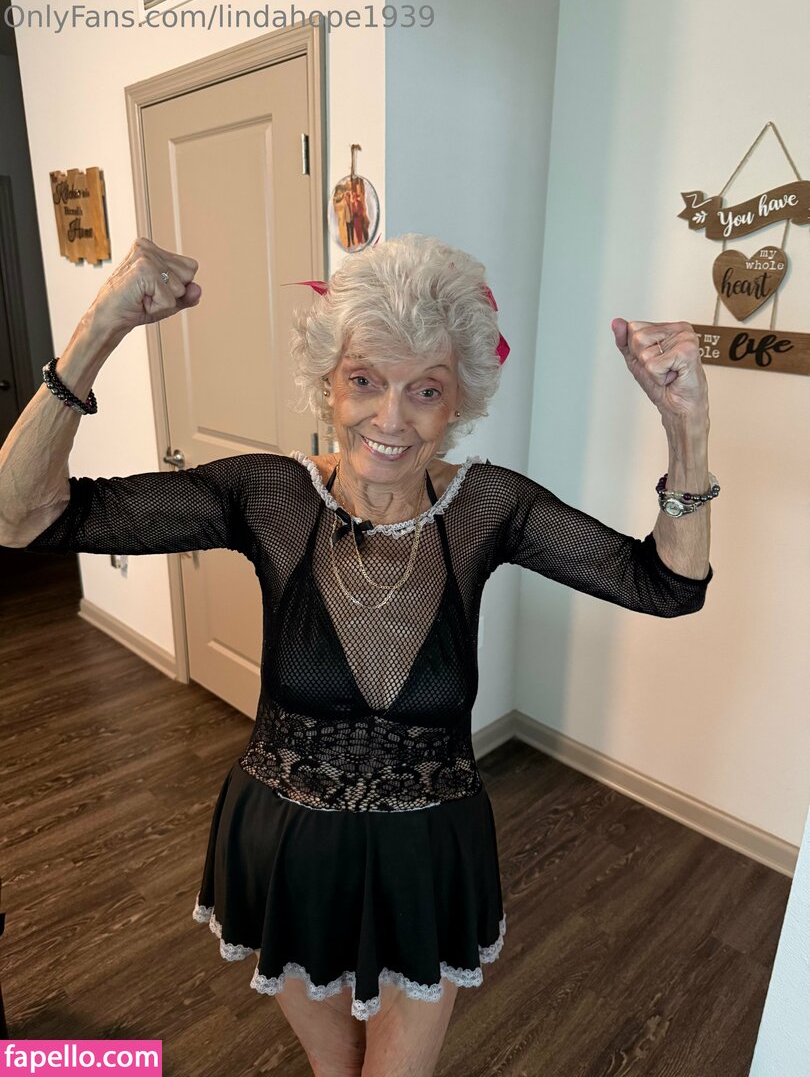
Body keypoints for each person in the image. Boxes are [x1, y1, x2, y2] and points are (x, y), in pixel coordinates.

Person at [0, 233, 716, 1077]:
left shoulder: (489, 508)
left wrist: (687, 427)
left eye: (425, 390)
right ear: (328, 383)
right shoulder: (268, 496)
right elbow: (22, 517)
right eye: (365, 380)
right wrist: (99, 329)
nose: (391, 419)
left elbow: (667, 586)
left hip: (427, 862)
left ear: (459, 400)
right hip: (285, 848)